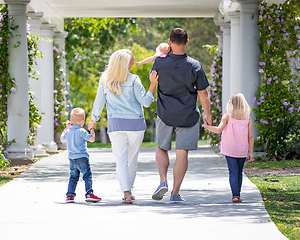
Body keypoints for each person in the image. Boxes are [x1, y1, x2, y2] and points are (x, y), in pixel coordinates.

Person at [151, 28, 212, 203]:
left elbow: (153, 82)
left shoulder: (159, 63)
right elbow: (203, 93)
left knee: (162, 147)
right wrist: (208, 115)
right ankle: (175, 194)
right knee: (182, 152)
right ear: (187, 42)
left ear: (169, 42)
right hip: (188, 115)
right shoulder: (195, 65)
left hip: (164, 113)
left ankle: (163, 181)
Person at [90, 49, 158, 204]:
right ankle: (129, 191)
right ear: (126, 65)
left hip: (116, 125)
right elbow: (146, 102)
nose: (134, 63)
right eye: (132, 61)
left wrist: (94, 119)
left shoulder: (105, 80)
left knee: (120, 160)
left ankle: (126, 192)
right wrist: (153, 85)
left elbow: (98, 102)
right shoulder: (134, 79)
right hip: (135, 124)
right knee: (131, 159)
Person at [204, 93, 254, 203]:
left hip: (230, 149)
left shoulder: (227, 117)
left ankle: (235, 195)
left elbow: (218, 130)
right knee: (239, 172)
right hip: (242, 150)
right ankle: (238, 195)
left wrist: (207, 126)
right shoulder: (248, 119)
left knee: (233, 172)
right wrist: (251, 152)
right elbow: (250, 137)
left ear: (231, 104)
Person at [61, 107, 102, 203]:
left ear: (71, 120)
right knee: (87, 175)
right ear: (83, 121)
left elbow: (62, 138)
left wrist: (66, 128)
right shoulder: (82, 131)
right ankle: (89, 193)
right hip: (82, 158)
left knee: (73, 177)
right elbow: (91, 139)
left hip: (72, 159)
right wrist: (91, 129)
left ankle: (70, 195)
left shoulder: (68, 131)